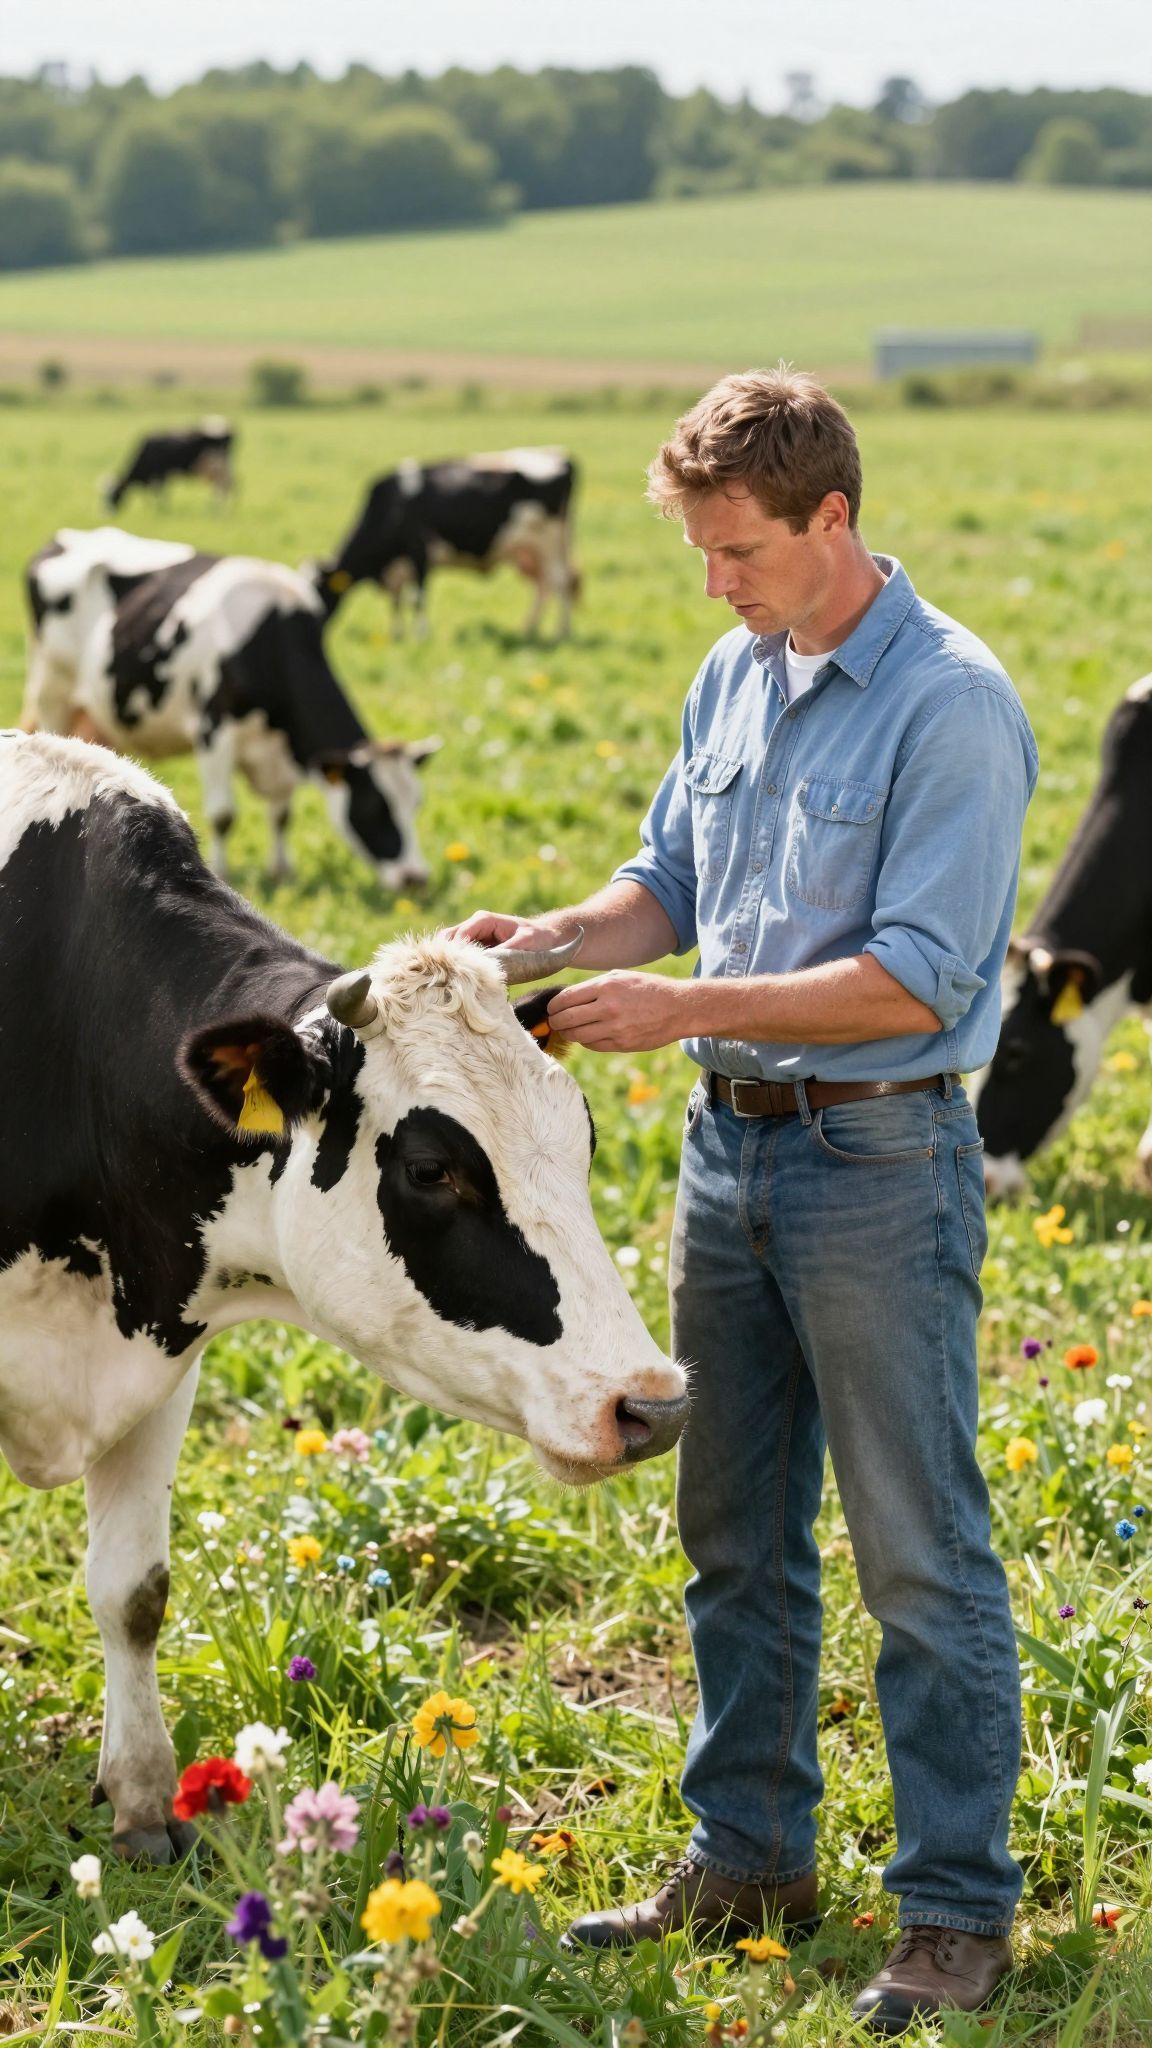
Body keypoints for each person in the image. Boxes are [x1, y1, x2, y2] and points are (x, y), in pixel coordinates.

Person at [446, 368, 1037, 2035]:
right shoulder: (738, 670)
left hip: (878, 1164)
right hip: (730, 1160)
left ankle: (955, 1911)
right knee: (731, 1531)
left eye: (741, 551)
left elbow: (919, 980)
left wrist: (684, 1006)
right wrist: (552, 939)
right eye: (702, 552)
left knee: (917, 1551)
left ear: (831, 516)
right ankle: (751, 1859)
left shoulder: (951, 704)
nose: (717, 584)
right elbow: (673, 880)